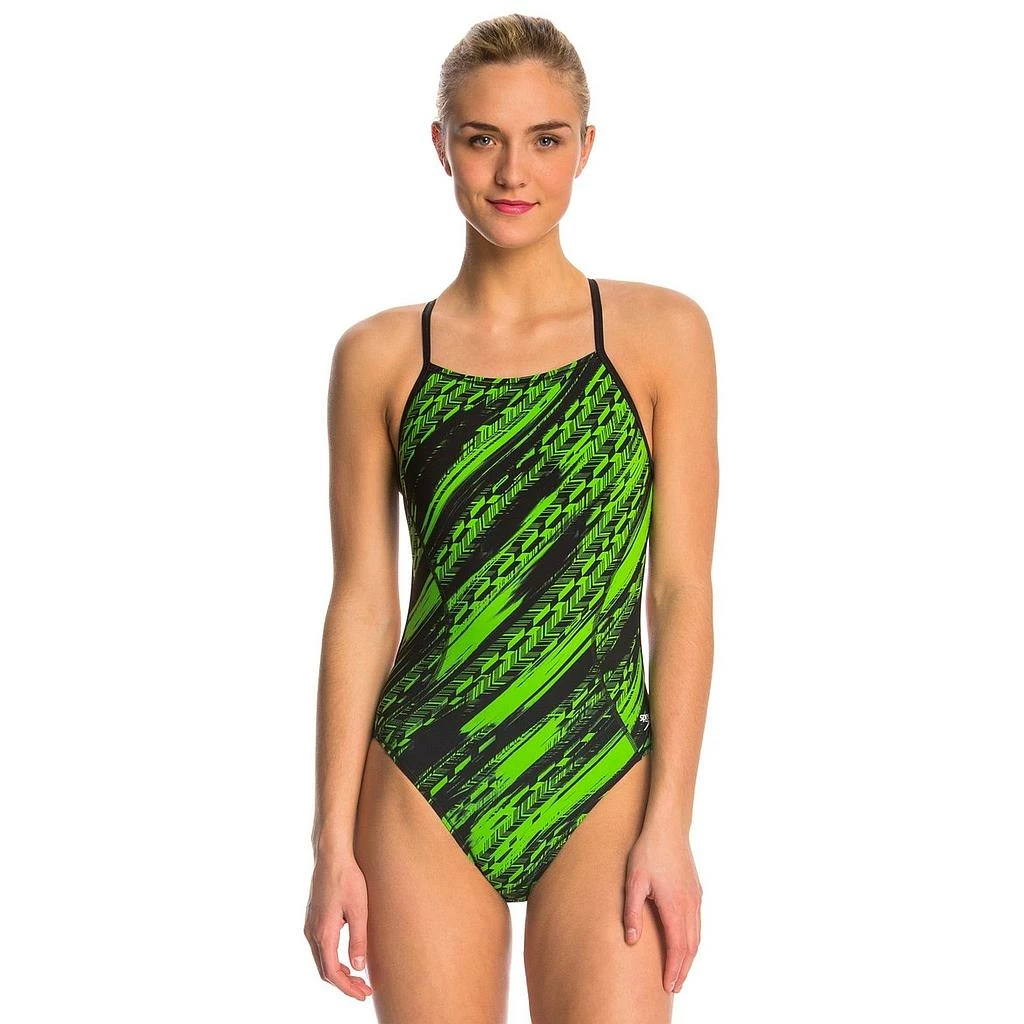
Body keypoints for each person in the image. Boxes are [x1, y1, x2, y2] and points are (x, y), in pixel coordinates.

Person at [304, 13, 718, 1023]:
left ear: (585, 148)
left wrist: (672, 822)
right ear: (442, 145)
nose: (512, 171)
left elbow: (680, 591)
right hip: (425, 771)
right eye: (482, 137)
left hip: (601, 763)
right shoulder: (379, 356)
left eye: (545, 138)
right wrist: (330, 842)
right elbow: (362, 602)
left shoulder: (661, 334)